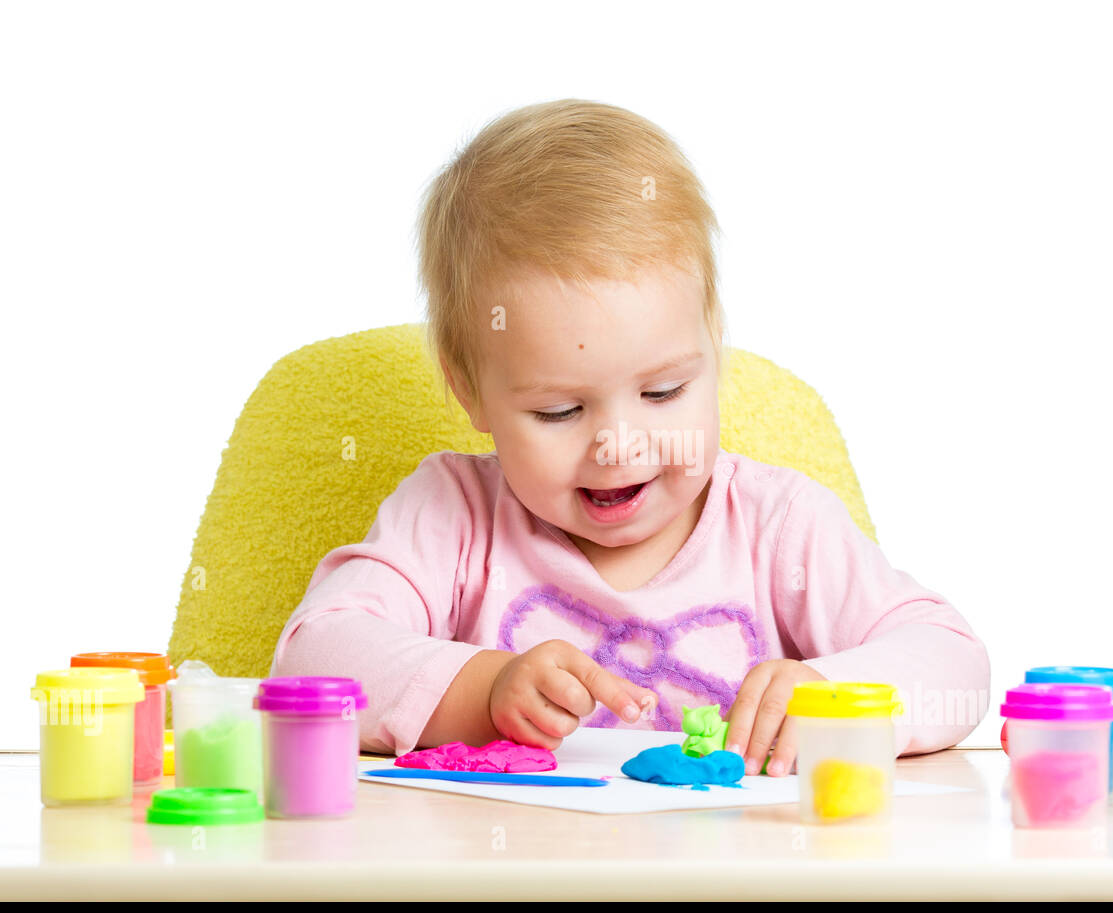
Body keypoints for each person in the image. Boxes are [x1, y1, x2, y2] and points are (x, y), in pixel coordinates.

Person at [272, 98, 990, 777]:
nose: (619, 446)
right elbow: (311, 660)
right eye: (559, 411)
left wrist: (834, 696)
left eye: (663, 392)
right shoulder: (453, 513)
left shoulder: (779, 527)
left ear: (713, 350)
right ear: (470, 391)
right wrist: (485, 690)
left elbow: (954, 665)